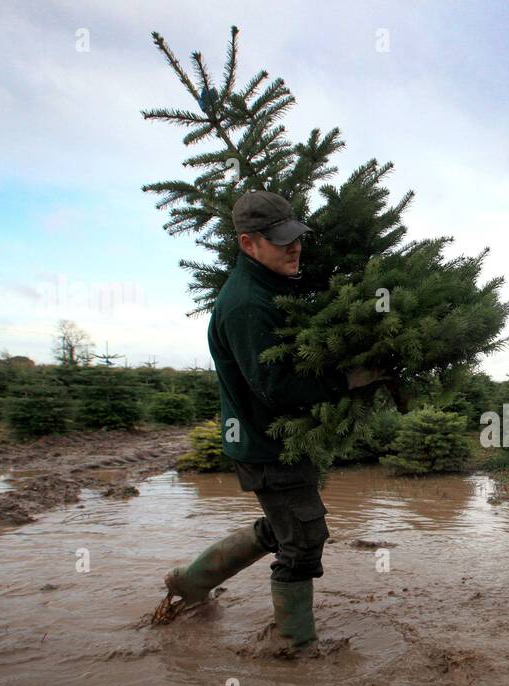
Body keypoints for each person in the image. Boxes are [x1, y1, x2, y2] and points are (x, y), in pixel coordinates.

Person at [155, 190, 383, 651]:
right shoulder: (246, 304)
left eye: (296, 238)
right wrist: (347, 380)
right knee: (302, 540)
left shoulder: (272, 285)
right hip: (267, 442)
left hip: (278, 441)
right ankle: (293, 647)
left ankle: (192, 582)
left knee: (286, 526)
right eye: (280, 241)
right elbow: (275, 389)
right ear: (248, 244)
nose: (294, 248)